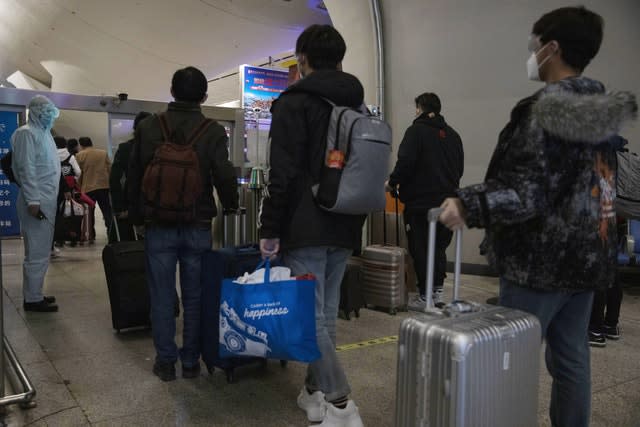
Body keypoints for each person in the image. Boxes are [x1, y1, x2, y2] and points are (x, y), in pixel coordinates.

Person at [438, 7, 637, 427]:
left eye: (535, 43)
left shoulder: (546, 109)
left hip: (539, 263)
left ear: (552, 48)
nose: (531, 52)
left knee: (508, 360)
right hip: (588, 259)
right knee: (571, 360)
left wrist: (466, 203)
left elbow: (525, 193)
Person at [259, 25, 365, 427]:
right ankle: (313, 393)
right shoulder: (356, 104)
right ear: (339, 60)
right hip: (345, 221)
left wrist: (270, 229)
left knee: (312, 317)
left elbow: (282, 174)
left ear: (301, 60)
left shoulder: (294, 103)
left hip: (306, 224)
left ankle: (340, 404)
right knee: (325, 314)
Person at [128, 66, 238, 382]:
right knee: (195, 295)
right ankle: (190, 361)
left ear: (172, 92)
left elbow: (135, 174)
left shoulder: (149, 127)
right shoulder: (213, 131)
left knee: (162, 295)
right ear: (204, 95)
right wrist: (230, 204)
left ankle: (165, 362)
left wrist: (135, 217)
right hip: (198, 223)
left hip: (158, 224)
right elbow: (224, 173)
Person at [387, 92, 463, 308]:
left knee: (420, 247)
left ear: (419, 108)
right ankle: (437, 294)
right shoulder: (453, 135)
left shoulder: (415, 132)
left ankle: (424, 296)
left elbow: (405, 163)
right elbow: (460, 168)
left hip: (420, 203)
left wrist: (392, 183)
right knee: (438, 248)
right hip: (448, 202)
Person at [11, 95, 61, 312]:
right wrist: (33, 199)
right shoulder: (26, 133)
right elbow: (25, 168)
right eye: (46, 111)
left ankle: (35, 293)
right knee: (37, 251)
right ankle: (32, 299)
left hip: (46, 200)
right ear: (36, 111)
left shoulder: (45, 134)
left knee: (41, 250)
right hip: (36, 201)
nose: (50, 115)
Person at [109, 111, 151, 241]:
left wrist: (120, 208)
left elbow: (115, 179)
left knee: (129, 245)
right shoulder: (162, 148)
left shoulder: (126, 148)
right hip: (155, 205)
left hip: (131, 204)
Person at [75, 136, 112, 241]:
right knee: (107, 210)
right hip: (103, 186)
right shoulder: (103, 153)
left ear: (81, 145)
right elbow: (110, 168)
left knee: (89, 211)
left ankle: (91, 234)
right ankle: (111, 233)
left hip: (88, 187)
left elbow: (79, 173)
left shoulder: (80, 155)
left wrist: (79, 187)